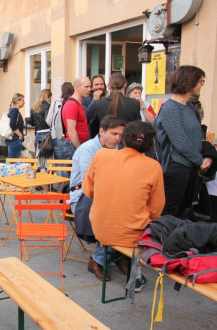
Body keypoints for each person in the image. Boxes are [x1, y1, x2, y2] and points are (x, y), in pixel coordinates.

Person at [83, 121, 165, 290]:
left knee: (118, 219)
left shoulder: (102, 155)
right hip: (131, 232)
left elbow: (88, 191)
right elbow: (156, 209)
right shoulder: (153, 166)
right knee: (141, 224)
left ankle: (109, 259)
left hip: (100, 226)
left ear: (123, 138)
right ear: (149, 144)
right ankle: (128, 267)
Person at [68, 115, 126, 280]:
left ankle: (113, 254)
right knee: (114, 216)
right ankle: (102, 258)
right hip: (82, 197)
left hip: (104, 196)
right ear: (102, 131)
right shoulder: (88, 149)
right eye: (114, 134)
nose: (118, 138)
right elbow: (92, 182)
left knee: (128, 210)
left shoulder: (115, 150)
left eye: (120, 135)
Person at [154, 65, 211, 216]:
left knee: (183, 213)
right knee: (170, 212)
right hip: (176, 167)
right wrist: (200, 160)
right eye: (201, 81)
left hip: (189, 167)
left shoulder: (189, 107)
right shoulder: (171, 109)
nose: (201, 85)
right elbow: (181, 142)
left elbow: (196, 136)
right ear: (189, 81)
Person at [54, 77, 90, 161]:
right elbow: (71, 130)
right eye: (86, 87)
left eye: (90, 86)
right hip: (73, 145)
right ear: (77, 87)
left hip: (77, 145)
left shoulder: (77, 103)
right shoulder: (72, 104)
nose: (89, 89)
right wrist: (79, 148)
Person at [29, 89, 51, 157]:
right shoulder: (48, 106)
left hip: (38, 133)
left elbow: (32, 123)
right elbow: (48, 121)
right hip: (47, 134)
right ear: (48, 97)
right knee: (48, 157)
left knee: (38, 156)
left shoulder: (34, 108)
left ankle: (38, 168)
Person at [6, 93, 25, 158]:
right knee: (14, 161)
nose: (24, 102)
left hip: (13, 139)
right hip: (15, 139)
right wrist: (20, 135)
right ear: (17, 101)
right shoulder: (15, 110)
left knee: (13, 160)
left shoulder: (12, 110)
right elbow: (12, 125)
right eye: (22, 100)